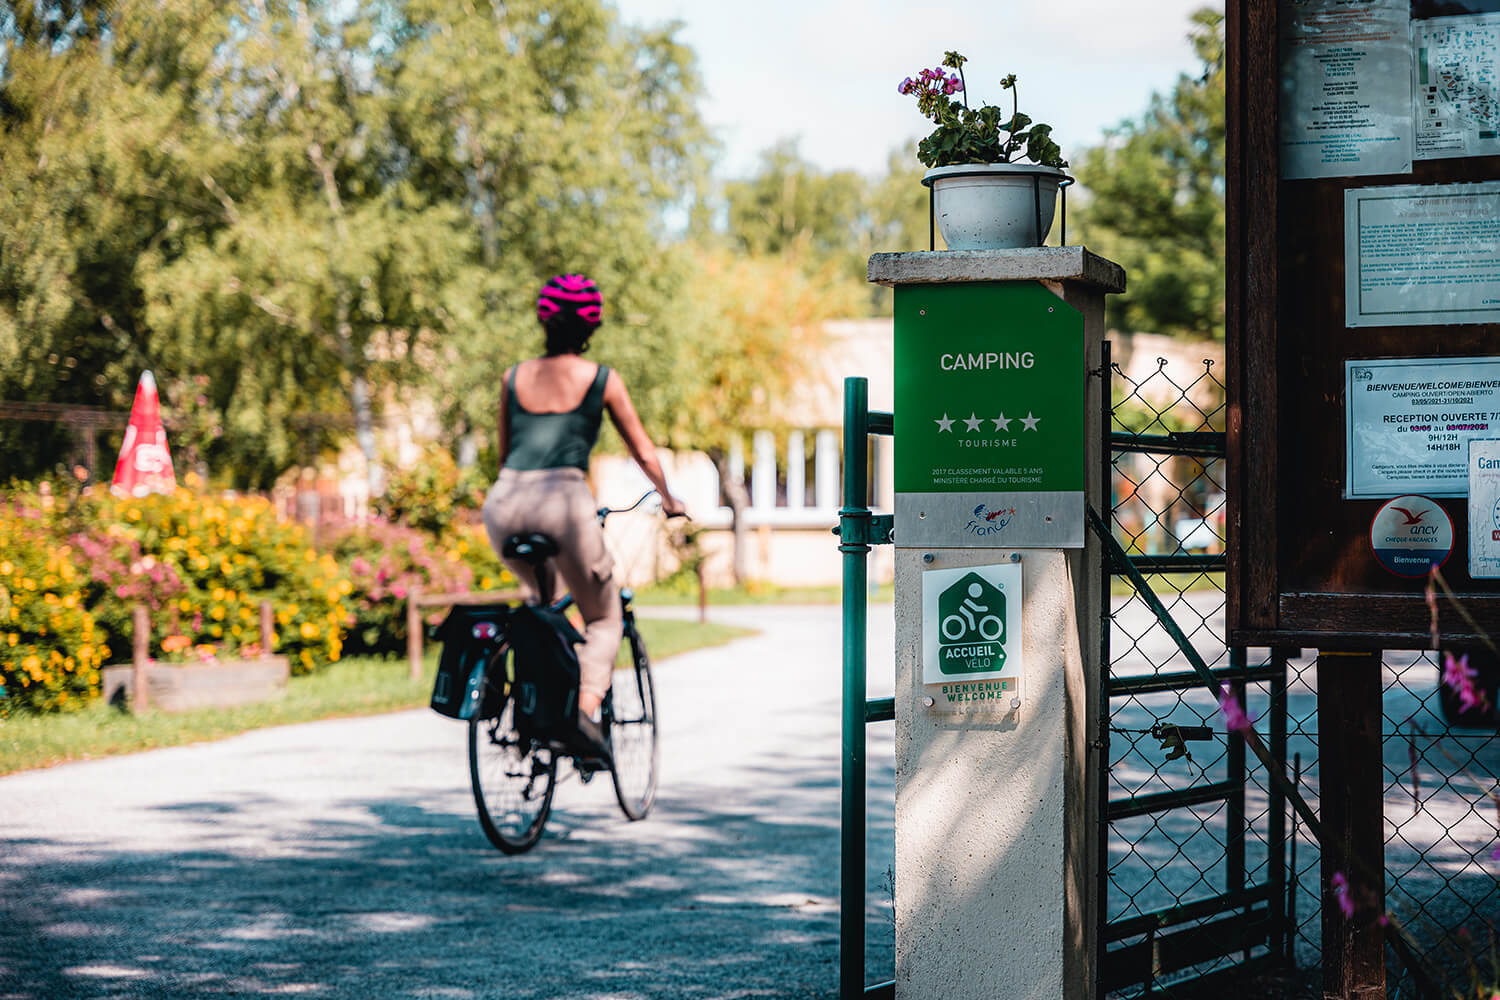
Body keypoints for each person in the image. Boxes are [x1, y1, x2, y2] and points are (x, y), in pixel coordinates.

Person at [481, 274, 685, 758]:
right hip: (564, 507)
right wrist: (670, 499)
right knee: (604, 617)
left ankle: (534, 706)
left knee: (541, 609)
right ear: (590, 326)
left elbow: (504, 454)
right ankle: (582, 713)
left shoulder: (513, 378)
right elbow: (643, 451)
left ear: (543, 320)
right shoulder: (602, 379)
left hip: (506, 504)